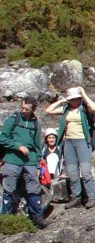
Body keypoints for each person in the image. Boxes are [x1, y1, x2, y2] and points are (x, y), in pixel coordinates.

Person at [45, 86, 95, 208]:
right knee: (73, 172)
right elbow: (48, 110)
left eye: (77, 99)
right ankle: (76, 198)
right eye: (72, 99)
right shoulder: (66, 109)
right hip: (69, 142)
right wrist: (61, 101)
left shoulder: (85, 109)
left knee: (85, 172)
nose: (75, 101)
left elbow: (94, 108)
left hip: (83, 141)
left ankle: (92, 197)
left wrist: (84, 93)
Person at [0, 96, 47, 228]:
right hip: (12, 159)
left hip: (30, 160)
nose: (23, 110)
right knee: (8, 188)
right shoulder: (12, 120)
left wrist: (38, 164)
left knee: (34, 188)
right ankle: (5, 220)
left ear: (33, 109)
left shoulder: (36, 124)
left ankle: (38, 218)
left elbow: (37, 146)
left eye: (26, 109)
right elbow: (2, 138)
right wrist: (18, 146)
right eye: (22, 107)